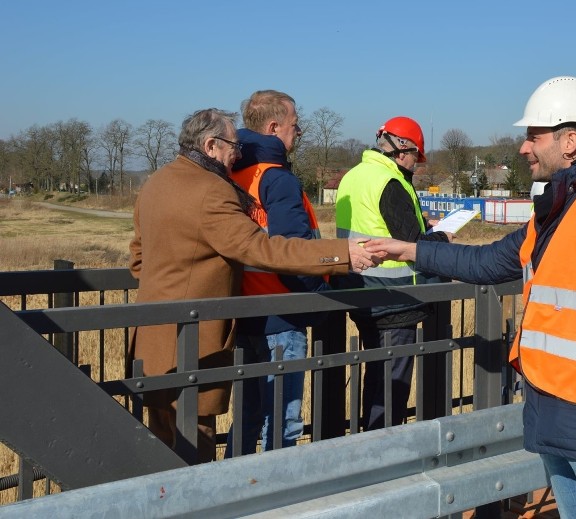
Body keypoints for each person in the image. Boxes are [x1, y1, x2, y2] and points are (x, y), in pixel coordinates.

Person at [366, 76, 576, 517]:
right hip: (557, 415)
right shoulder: (562, 207)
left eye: (533, 136)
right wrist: (410, 250)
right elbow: (488, 263)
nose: (523, 148)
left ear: (569, 141)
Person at [129, 108, 381, 463]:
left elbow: (138, 261)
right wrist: (341, 255)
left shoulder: (155, 182)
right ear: (211, 145)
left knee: (160, 451)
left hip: (152, 341)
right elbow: (261, 248)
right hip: (192, 343)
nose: (239, 152)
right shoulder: (212, 191)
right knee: (193, 451)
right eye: (233, 145)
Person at [223, 90, 326, 456]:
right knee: (283, 421)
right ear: (273, 126)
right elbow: (292, 252)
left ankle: (235, 494)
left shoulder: (232, 173)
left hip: (245, 311)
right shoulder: (277, 178)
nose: (298, 133)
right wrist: (321, 287)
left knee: (249, 415)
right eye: (295, 126)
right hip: (281, 314)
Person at [335, 116, 450, 430]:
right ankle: (382, 459)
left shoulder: (354, 176)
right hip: (395, 299)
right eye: (416, 156)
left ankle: (371, 451)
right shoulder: (390, 181)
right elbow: (412, 244)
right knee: (390, 389)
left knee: (375, 381)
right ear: (402, 150)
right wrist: (442, 237)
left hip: (361, 292)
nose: (416, 164)